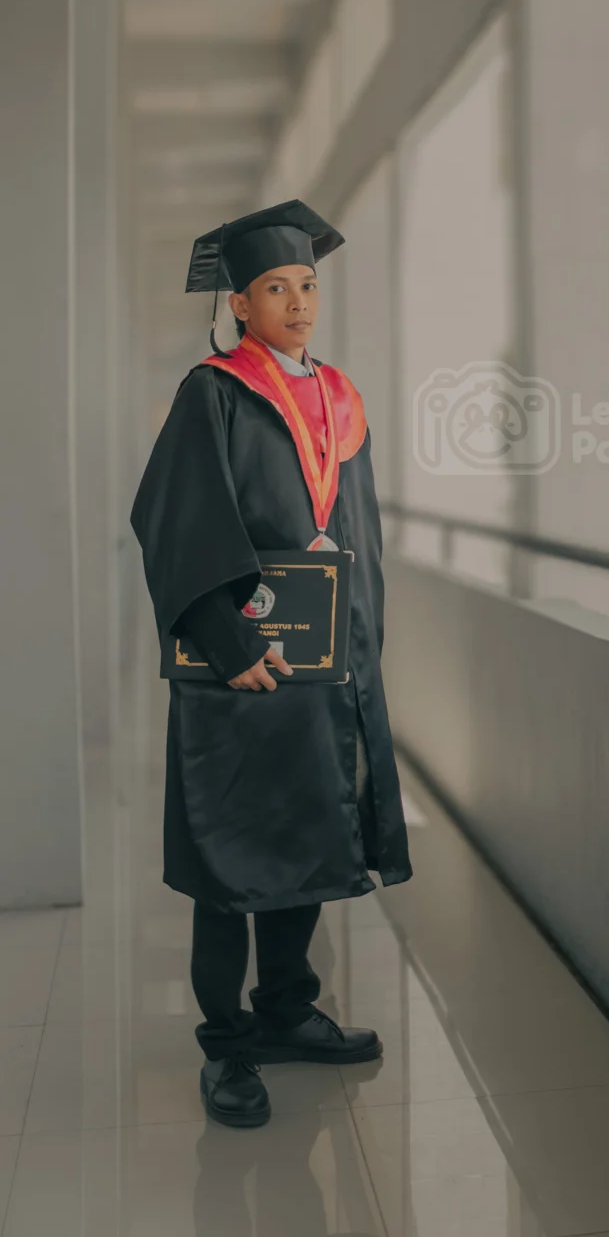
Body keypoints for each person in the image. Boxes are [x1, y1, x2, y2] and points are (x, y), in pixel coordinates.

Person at [130, 200, 412, 1129]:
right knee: (228, 853)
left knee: (304, 840)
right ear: (241, 304)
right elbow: (172, 520)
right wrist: (230, 639)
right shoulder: (212, 391)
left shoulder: (338, 397)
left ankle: (287, 1009)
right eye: (276, 288)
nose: (297, 301)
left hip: (321, 663)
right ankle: (228, 1044)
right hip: (240, 666)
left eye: (307, 285)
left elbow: (354, 532)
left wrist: (360, 644)